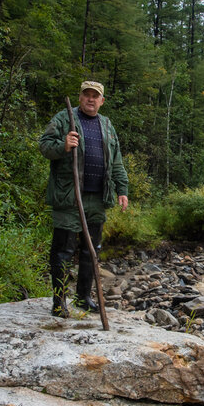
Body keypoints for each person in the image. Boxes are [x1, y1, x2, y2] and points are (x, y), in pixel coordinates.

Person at [38, 80, 129, 318]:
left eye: (95, 96)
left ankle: (83, 297)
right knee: (63, 251)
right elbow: (44, 146)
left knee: (92, 249)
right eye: (86, 95)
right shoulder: (63, 118)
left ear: (102, 100)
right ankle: (59, 302)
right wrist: (63, 145)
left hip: (98, 197)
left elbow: (116, 160)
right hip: (70, 196)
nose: (90, 99)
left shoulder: (107, 125)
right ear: (80, 97)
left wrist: (122, 189)